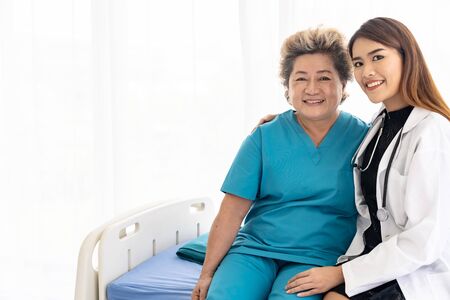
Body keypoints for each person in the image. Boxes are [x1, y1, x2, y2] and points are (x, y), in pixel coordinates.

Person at [191, 27, 368, 300]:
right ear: (288, 88)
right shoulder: (264, 136)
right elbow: (231, 213)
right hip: (254, 250)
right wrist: (206, 274)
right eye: (300, 79)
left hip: (316, 256)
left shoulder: (365, 139)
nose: (312, 89)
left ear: (343, 84)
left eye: (324, 77)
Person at [281, 17, 450, 300]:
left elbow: (424, 240)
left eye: (378, 57)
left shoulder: (432, 132)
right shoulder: (378, 124)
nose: (366, 72)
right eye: (358, 63)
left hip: (414, 272)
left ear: (407, 57)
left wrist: (341, 275)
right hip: (370, 259)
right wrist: (286, 121)